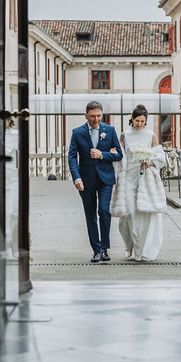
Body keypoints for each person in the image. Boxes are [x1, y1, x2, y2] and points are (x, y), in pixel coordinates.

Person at [68, 101, 123, 262]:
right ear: (86, 116)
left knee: (104, 211)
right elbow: (72, 157)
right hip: (85, 180)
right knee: (90, 215)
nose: (96, 119)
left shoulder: (110, 130)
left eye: (99, 115)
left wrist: (102, 155)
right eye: (92, 116)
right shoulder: (77, 132)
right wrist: (76, 177)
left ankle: (105, 249)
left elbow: (119, 154)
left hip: (106, 179)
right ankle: (96, 250)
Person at [116, 105, 166, 262]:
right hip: (128, 178)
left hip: (144, 179)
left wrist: (149, 162)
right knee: (128, 216)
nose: (139, 124)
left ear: (146, 121)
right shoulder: (125, 135)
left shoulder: (151, 135)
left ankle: (140, 250)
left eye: (142, 121)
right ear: (132, 119)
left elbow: (160, 157)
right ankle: (128, 244)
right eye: (137, 120)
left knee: (141, 216)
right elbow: (120, 156)